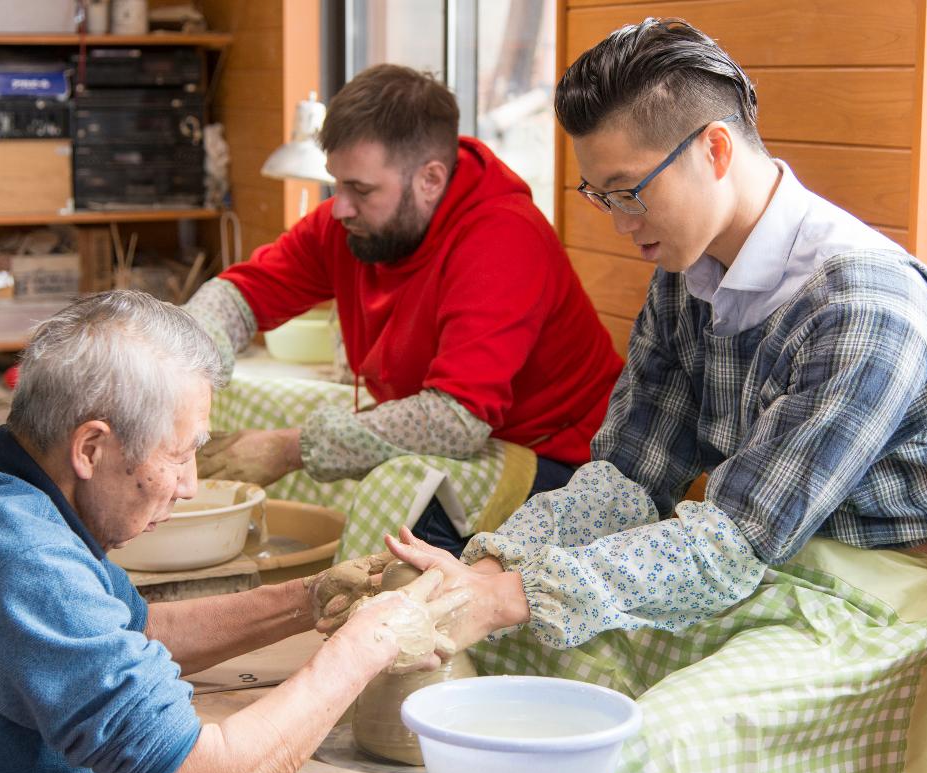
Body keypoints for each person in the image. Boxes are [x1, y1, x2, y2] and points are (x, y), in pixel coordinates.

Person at [384, 18, 927, 773]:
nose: (615, 219)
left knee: (641, 753)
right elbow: (626, 480)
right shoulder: (685, 283)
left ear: (713, 149)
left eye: (629, 189)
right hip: (754, 567)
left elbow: (733, 543)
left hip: (869, 604)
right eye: (599, 195)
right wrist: (487, 567)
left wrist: (509, 594)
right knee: (518, 659)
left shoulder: (864, 309)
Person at [0, 291, 464, 773]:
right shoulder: (24, 564)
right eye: (178, 456)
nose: (189, 485)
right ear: (90, 447)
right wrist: (370, 643)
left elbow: (136, 629)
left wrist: (309, 599)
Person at [186, 63, 623, 555]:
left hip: (564, 462)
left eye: (362, 189)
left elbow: (454, 421)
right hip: (470, 439)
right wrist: (182, 367)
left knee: (403, 513)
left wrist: (288, 449)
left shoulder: (502, 238)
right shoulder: (352, 223)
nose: (340, 207)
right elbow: (240, 294)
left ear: (431, 179)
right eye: (337, 184)